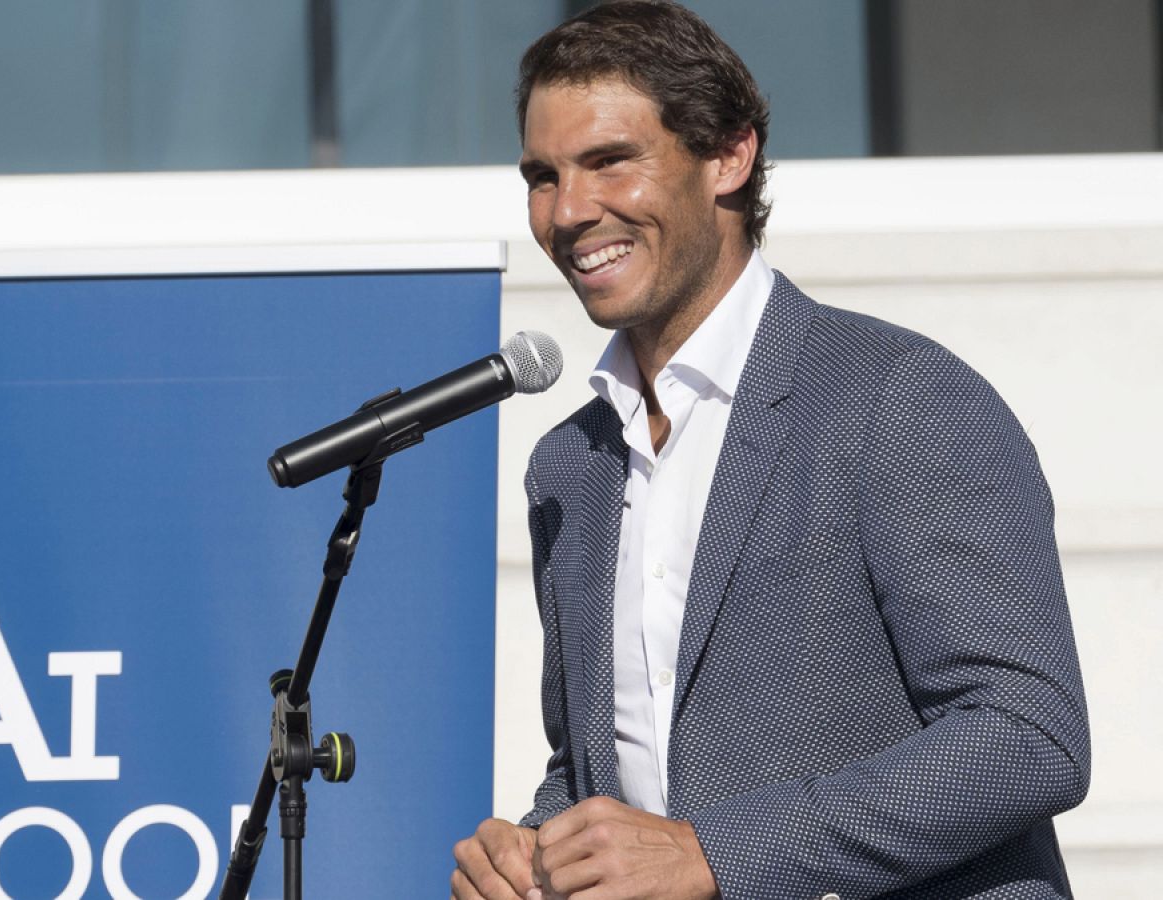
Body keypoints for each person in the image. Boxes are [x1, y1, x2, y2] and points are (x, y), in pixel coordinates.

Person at [451, 3, 1091, 899]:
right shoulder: (569, 466)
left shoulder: (898, 396)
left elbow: (1030, 734)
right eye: (542, 176)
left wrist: (715, 854)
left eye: (610, 161)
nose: (568, 211)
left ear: (728, 156)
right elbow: (613, 772)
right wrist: (534, 854)